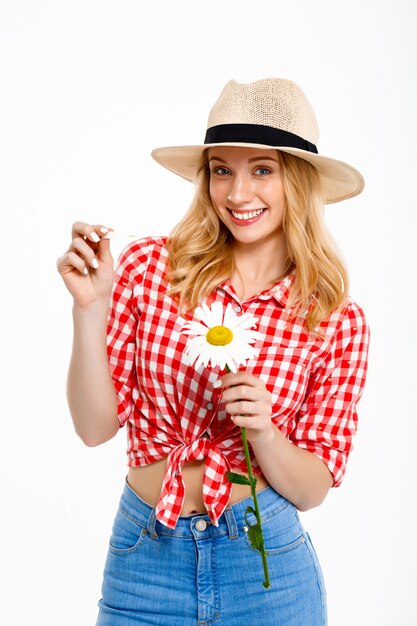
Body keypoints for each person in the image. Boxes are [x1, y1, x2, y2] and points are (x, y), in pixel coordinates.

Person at [57, 78, 370, 625]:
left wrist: (265, 433)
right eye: (221, 169)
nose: (237, 193)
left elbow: (314, 487)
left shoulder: (335, 319)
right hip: (145, 561)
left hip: (266, 570)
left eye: (262, 170)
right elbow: (93, 427)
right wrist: (90, 308)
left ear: (296, 181)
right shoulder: (150, 270)